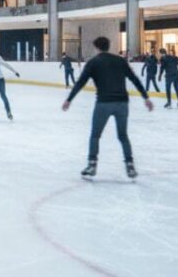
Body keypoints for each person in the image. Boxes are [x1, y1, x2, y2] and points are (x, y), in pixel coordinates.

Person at [63, 36, 152, 179]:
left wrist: (69, 99)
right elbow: (134, 79)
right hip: (122, 103)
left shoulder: (93, 63)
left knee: (95, 135)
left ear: (97, 47)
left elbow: (81, 82)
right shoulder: (120, 60)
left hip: (103, 103)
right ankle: (130, 166)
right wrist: (145, 97)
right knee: (123, 136)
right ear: (108, 46)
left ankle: (92, 165)